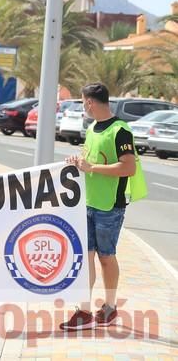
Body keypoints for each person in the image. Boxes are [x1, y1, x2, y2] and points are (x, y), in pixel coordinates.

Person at [61, 83, 147, 331]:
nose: (83, 107)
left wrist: (92, 168)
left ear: (89, 102)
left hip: (110, 206)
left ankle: (110, 307)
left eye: (82, 102)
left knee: (106, 258)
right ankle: (84, 310)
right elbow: (90, 159)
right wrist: (78, 162)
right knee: (85, 257)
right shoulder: (91, 129)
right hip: (86, 203)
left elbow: (128, 168)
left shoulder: (121, 131)